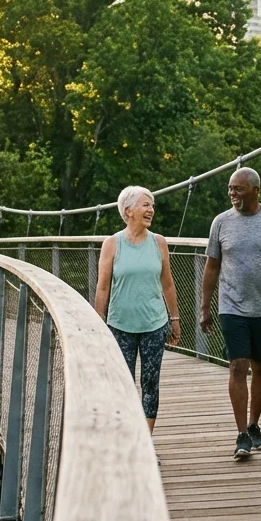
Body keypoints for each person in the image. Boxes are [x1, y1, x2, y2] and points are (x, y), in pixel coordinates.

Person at [199, 167, 261, 460]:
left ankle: (255, 425)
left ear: (255, 190)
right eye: (230, 189)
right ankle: (242, 434)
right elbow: (211, 267)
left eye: (238, 189)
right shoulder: (221, 223)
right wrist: (205, 307)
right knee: (237, 365)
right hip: (232, 306)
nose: (232, 194)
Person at [95, 186, 181, 440]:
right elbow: (102, 286)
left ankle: (145, 442)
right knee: (122, 384)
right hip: (120, 325)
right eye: (145, 205)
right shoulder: (112, 244)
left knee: (150, 383)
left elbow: (168, 283)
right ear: (128, 211)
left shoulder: (159, 242)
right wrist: (98, 324)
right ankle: (125, 438)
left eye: (152, 205)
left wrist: (174, 319)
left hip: (154, 324)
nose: (151, 210)